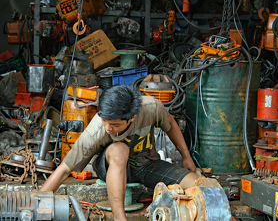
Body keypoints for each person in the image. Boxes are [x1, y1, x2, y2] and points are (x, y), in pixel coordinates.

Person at [40, 85, 199, 221]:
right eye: (104, 121)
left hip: (146, 163)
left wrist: (186, 157)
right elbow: (64, 169)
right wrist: (37, 202)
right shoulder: (96, 131)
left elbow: (170, 122)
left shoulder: (152, 108)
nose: (108, 128)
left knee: (196, 183)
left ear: (132, 117)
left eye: (115, 124)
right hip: (110, 165)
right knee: (119, 150)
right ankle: (119, 217)